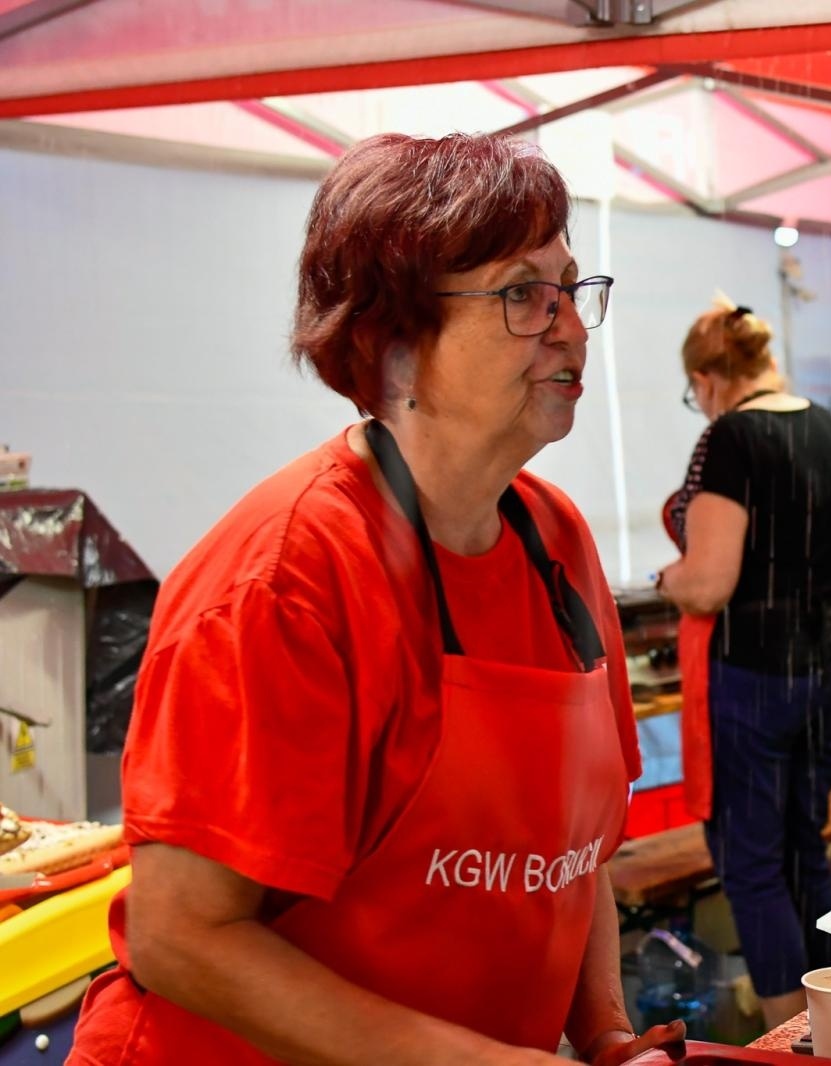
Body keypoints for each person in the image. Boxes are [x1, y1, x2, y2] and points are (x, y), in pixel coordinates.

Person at [68, 134, 684, 1066]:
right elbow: (179, 935)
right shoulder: (284, 580)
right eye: (523, 293)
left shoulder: (554, 539)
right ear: (390, 342)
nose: (570, 327)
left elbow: (571, 858)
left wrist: (604, 1034)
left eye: (572, 288)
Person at [655, 300, 831, 1029]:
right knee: (805, 847)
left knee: (750, 864)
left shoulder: (731, 436)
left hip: (759, 672)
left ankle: (784, 1034)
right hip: (828, 664)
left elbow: (709, 580)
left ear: (710, 379)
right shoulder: (827, 428)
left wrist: (663, 581)